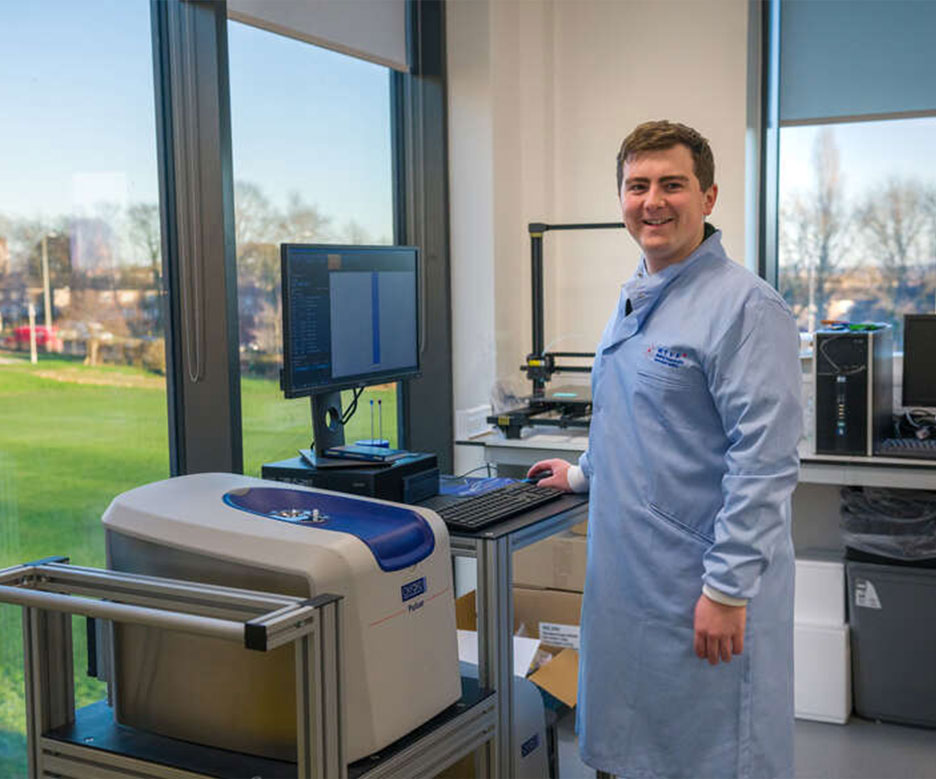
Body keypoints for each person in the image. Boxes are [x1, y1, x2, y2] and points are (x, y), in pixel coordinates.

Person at [528, 120, 802, 778]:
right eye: (637, 185)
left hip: (701, 584)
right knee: (630, 751)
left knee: (705, 755)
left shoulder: (746, 307)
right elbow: (637, 417)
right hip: (630, 582)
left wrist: (729, 587)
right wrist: (583, 472)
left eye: (672, 184)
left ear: (708, 197)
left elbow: (764, 462)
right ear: (621, 198)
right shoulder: (636, 294)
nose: (652, 201)